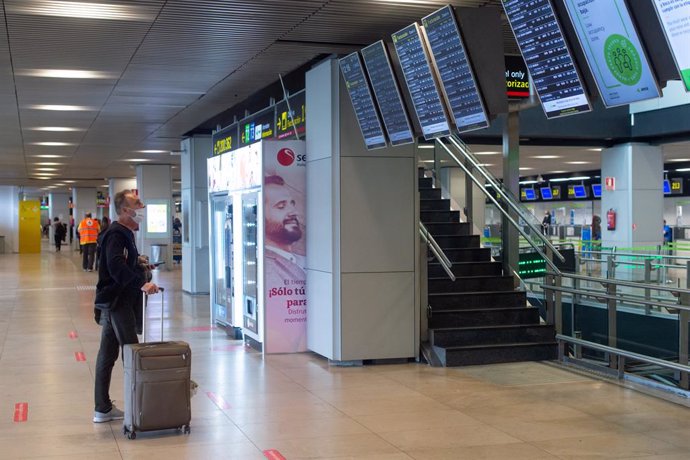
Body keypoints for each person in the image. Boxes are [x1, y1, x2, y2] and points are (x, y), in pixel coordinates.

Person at [93, 189, 158, 423]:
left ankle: (102, 408)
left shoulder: (125, 233)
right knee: (131, 352)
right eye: (136, 204)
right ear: (124, 211)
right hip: (117, 302)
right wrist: (142, 284)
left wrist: (139, 264)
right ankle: (136, 408)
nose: (141, 207)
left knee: (108, 354)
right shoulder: (116, 234)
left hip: (116, 301)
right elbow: (115, 267)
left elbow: (123, 263)